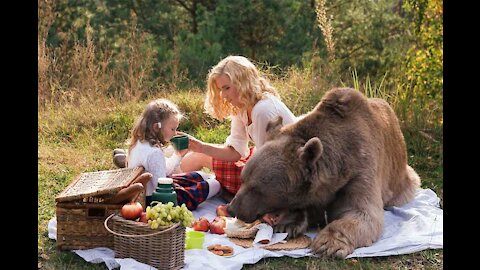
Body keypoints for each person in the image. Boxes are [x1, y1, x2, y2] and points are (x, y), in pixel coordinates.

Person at [179, 55, 296, 202]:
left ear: (243, 82)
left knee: (199, 158)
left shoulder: (262, 110)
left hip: (286, 178)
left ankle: (167, 185)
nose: (222, 95)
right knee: (197, 154)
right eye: (221, 89)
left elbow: (266, 165)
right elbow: (235, 152)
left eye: (226, 88)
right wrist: (201, 146)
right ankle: (169, 182)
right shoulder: (242, 106)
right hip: (265, 164)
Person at [118, 98, 220, 210]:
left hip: (153, 190)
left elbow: (162, 171)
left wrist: (178, 155)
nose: (175, 133)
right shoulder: (154, 152)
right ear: (156, 127)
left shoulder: (139, 142)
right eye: (172, 129)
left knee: (201, 175)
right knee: (216, 184)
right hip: (158, 201)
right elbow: (162, 188)